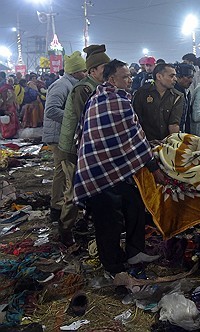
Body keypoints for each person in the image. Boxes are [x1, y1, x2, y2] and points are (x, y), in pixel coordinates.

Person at [73, 59, 165, 276]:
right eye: (125, 77)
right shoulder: (111, 100)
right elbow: (134, 138)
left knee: (134, 202)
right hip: (97, 171)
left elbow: (128, 137)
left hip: (111, 168)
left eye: (130, 75)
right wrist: (154, 168)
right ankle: (112, 266)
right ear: (112, 80)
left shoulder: (107, 97)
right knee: (108, 221)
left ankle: (135, 251)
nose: (130, 79)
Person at [58, 44, 110, 246]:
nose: (108, 71)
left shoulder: (98, 87)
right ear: (92, 71)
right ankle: (65, 230)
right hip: (74, 149)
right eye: (104, 68)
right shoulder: (83, 89)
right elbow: (85, 123)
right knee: (73, 192)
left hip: (90, 148)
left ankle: (86, 223)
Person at [42, 51, 87, 224]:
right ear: (76, 72)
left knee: (64, 171)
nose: (85, 74)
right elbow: (51, 110)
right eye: (83, 71)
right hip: (58, 135)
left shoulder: (71, 84)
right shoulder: (62, 85)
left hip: (63, 134)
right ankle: (57, 207)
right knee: (62, 171)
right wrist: (71, 118)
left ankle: (60, 205)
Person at [132, 63, 183, 141]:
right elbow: (136, 121)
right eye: (171, 76)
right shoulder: (142, 93)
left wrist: (174, 145)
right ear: (159, 76)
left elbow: (173, 124)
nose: (175, 79)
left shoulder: (177, 96)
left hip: (166, 143)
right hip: (145, 142)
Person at [174, 63, 195, 133]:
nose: (191, 81)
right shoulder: (173, 93)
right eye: (188, 77)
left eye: (192, 77)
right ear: (178, 77)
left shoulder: (187, 92)